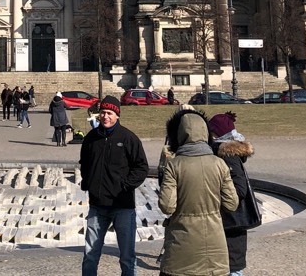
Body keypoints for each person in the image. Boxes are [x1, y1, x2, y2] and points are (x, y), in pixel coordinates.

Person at [158, 109, 238, 276]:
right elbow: (232, 203)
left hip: (181, 243)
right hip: (214, 244)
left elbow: (167, 206)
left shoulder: (174, 165)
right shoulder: (219, 164)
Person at [79, 95, 149, 276]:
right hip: (97, 204)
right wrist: (87, 182)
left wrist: (124, 186)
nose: (105, 117)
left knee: (127, 256)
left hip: (122, 205)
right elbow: (84, 163)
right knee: (90, 255)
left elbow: (141, 167)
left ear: (117, 115)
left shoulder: (128, 138)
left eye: (109, 113)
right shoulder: (91, 138)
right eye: (102, 112)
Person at [209, 112, 255, 276]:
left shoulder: (228, 156)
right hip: (229, 221)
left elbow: (239, 190)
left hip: (232, 221)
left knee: (232, 269)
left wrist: (215, 198)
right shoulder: (225, 153)